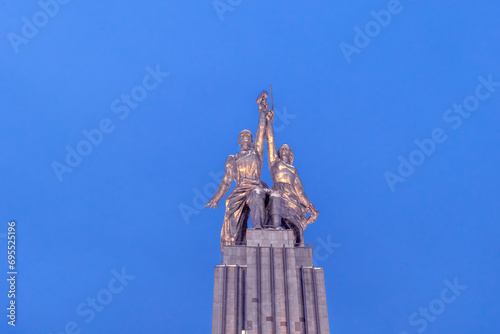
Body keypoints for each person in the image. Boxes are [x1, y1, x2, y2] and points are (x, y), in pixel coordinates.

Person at [205, 91, 270, 246]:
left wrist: (262, 112)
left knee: (257, 194)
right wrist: (216, 198)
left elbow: (261, 132)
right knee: (230, 206)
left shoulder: (256, 153)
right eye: (243, 136)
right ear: (239, 140)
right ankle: (235, 241)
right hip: (239, 190)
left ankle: (259, 229)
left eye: (249, 136)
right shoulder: (232, 159)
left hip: (254, 186)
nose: (247, 138)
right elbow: (225, 182)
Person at [265, 109, 319, 245]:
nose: (284, 150)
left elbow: (300, 191)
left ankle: (296, 243)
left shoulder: (293, 170)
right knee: (274, 202)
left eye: (287, 149)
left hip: (293, 199)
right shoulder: (274, 164)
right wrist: (269, 122)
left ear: (291, 154)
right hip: (278, 193)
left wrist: (309, 205)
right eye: (282, 149)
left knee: (295, 227)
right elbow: (270, 141)